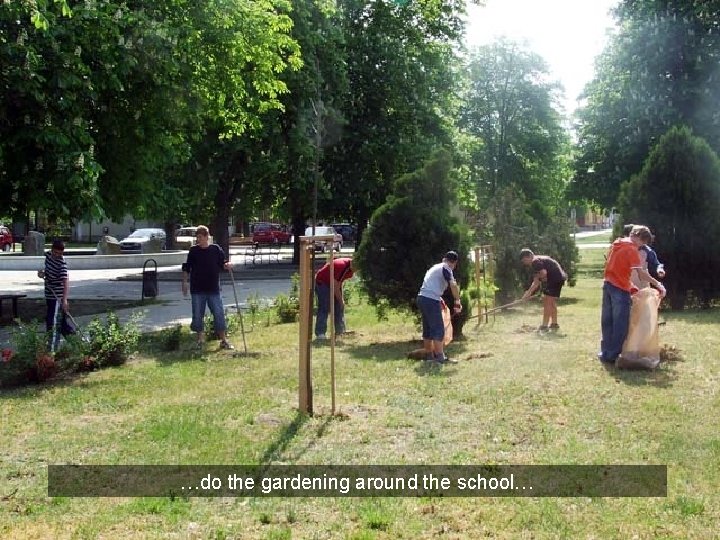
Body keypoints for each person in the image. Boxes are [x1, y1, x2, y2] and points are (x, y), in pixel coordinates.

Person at [599, 225, 666, 364]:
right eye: (644, 243)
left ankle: (604, 352)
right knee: (620, 323)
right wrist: (658, 285)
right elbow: (641, 274)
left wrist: (631, 286)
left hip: (608, 285)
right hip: (619, 290)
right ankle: (613, 355)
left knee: (607, 321)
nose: (642, 245)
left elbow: (615, 268)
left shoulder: (616, 244)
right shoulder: (631, 249)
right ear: (641, 239)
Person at [181, 225, 233, 350]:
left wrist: (228, 265)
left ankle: (224, 340)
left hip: (213, 288)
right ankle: (200, 340)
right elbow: (187, 267)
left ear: (206, 237)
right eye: (197, 237)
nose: (198, 240)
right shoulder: (194, 251)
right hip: (197, 289)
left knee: (219, 313)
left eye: (200, 237)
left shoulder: (215, 249)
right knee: (198, 315)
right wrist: (184, 282)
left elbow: (223, 263)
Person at [416, 251, 462, 363]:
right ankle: (440, 358)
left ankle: (429, 356)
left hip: (422, 298)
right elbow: (453, 285)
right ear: (454, 263)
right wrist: (457, 301)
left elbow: (430, 285)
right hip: (430, 300)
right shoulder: (446, 268)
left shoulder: (435, 268)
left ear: (444, 258)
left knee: (428, 328)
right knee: (438, 329)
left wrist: (439, 298)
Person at [37, 239, 75, 346]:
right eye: (55, 252)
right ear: (51, 250)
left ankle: (52, 349)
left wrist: (64, 300)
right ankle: (77, 343)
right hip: (49, 294)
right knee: (62, 324)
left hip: (57, 297)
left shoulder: (61, 264)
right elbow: (46, 271)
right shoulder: (48, 256)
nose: (57, 255)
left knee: (52, 322)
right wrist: (42, 273)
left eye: (60, 253)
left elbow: (65, 281)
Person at [519, 249, 567, 332]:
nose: (525, 263)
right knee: (551, 302)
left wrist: (540, 279)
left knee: (547, 301)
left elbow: (543, 273)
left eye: (525, 260)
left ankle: (544, 326)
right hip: (559, 278)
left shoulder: (535, 261)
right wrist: (527, 295)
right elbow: (536, 282)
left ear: (530, 256)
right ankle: (554, 324)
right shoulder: (538, 261)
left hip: (554, 279)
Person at [314, 257, 354, 340]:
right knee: (324, 306)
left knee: (339, 306)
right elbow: (335, 285)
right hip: (323, 282)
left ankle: (340, 332)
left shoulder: (350, 270)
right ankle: (320, 334)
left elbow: (339, 282)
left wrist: (341, 300)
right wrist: (341, 301)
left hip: (333, 283)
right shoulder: (342, 266)